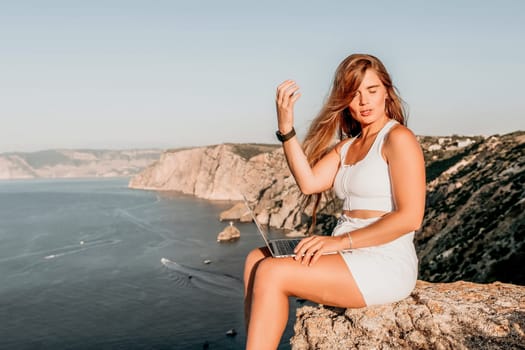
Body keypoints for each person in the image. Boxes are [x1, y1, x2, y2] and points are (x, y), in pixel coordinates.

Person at [243, 53, 426, 349]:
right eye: (354, 94)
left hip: (384, 259)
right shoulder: (348, 146)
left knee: (272, 273)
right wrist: (286, 128)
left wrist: (339, 243)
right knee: (256, 259)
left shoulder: (398, 138)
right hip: (348, 253)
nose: (364, 101)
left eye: (372, 90)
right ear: (344, 100)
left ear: (387, 92)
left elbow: (410, 218)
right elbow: (309, 182)